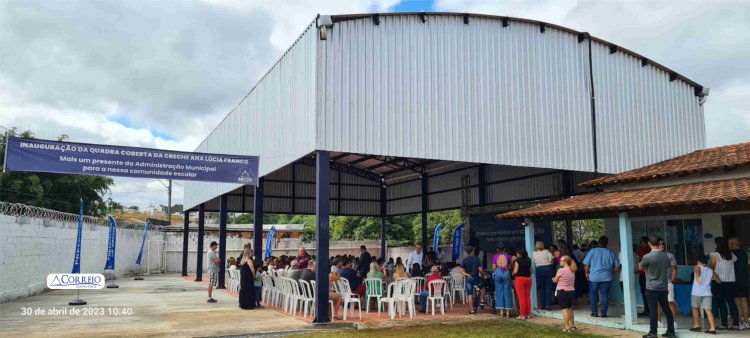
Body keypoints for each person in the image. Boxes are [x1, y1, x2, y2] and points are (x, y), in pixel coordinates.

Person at [639, 235, 676, 338]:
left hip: (651, 287)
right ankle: (671, 331)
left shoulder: (647, 256)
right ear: (659, 243)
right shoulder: (666, 256)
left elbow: (641, 267)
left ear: (649, 244)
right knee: (667, 309)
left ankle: (653, 332)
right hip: (663, 286)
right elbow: (669, 267)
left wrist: (646, 267)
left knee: (653, 310)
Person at [583, 236, 620, 318]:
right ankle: (603, 313)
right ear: (607, 243)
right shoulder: (610, 252)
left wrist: (586, 273)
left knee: (593, 294)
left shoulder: (592, 251)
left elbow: (586, 264)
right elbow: (617, 266)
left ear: (598, 242)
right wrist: (612, 273)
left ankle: (594, 312)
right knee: (605, 295)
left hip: (594, 277)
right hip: (607, 277)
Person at [710, 237, 739, 330]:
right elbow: (735, 260)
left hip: (720, 282)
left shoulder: (715, 255)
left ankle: (724, 324)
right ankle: (735, 324)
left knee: (722, 303)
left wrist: (717, 279)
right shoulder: (731, 255)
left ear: (717, 245)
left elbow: (710, 268)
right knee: (731, 303)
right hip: (731, 282)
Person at [690, 256, 717, 334]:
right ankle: (712, 328)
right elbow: (718, 280)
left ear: (698, 262)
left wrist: (698, 277)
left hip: (697, 292)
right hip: (707, 292)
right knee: (708, 310)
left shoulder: (697, 266)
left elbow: (697, 269)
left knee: (695, 308)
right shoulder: (710, 270)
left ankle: (697, 325)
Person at [657, 240, 679, 330]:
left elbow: (674, 269)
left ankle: (674, 322)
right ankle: (658, 321)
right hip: (656, 283)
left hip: (668, 282)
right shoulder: (652, 255)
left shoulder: (670, 255)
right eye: (660, 244)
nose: (662, 245)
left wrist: (672, 281)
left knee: (670, 302)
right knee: (657, 303)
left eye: (663, 244)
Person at [729, 237, 749, 329]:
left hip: (736, 281)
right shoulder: (744, 253)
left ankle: (740, 323)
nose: (728, 246)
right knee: (744, 301)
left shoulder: (733, 254)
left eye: (730, 244)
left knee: (737, 303)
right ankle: (746, 322)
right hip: (745, 280)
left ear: (733, 244)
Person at [553, 256, 577, 332]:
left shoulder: (561, 270)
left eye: (561, 260)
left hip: (562, 291)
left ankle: (567, 327)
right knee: (570, 308)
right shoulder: (572, 270)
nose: (560, 261)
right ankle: (572, 326)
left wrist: (553, 279)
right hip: (571, 291)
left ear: (565, 261)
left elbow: (555, 280)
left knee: (564, 309)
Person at [460, 246, 484, 314]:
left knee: (469, 294)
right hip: (476, 278)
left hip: (469, 279)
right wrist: (483, 274)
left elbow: (461, 271)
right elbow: (480, 270)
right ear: (472, 251)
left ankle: (472, 310)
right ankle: (482, 300)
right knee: (482, 286)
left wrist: (467, 274)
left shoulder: (465, 260)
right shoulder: (477, 259)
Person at [533, 240, 555, 310]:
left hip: (539, 270)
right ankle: (548, 305)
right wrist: (550, 265)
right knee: (548, 287)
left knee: (542, 287)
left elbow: (534, 262)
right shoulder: (547, 252)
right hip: (547, 269)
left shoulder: (534, 253)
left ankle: (542, 305)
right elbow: (552, 261)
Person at [513, 249, 533, 320]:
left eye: (517, 253)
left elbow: (515, 271)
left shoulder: (517, 261)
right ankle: (528, 314)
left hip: (520, 279)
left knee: (521, 298)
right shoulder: (529, 260)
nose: (516, 254)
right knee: (527, 297)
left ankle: (522, 315)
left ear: (520, 254)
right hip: (528, 279)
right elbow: (532, 271)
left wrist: (512, 274)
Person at [493, 246, 512, 317]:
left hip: (498, 272)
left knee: (499, 291)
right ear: (504, 249)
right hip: (506, 271)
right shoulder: (508, 256)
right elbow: (511, 266)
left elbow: (494, 267)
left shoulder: (495, 256)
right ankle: (507, 312)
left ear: (497, 249)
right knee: (507, 291)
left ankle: (501, 312)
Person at [238, 243, 257, 310]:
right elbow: (252, 269)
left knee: (243, 290)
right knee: (249, 290)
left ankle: (242, 304)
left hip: (243, 277)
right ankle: (249, 304)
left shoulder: (242, 260)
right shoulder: (249, 260)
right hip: (248, 277)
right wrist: (254, 276)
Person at [636, 236, 652, 317]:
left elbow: (639, 262)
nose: (641, 244)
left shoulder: (643, 251)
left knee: (644, 292)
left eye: (642, 242)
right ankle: (651, 309)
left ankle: (647, 309)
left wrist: (637, 270)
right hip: (651, 274)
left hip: (643, 274)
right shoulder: (651, 250)